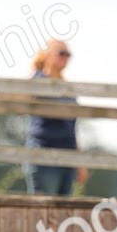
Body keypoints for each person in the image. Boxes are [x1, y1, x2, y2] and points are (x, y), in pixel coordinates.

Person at [24, 39, 87, 196]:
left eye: (68, 54)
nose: (66, 58)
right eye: (61, 53)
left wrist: (80, 163)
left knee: (62, 214)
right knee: (43, 211)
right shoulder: (36, 80)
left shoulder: (67, 87)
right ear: (47, 55)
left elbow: (72, 128)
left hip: (67, 156)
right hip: (44, 155)